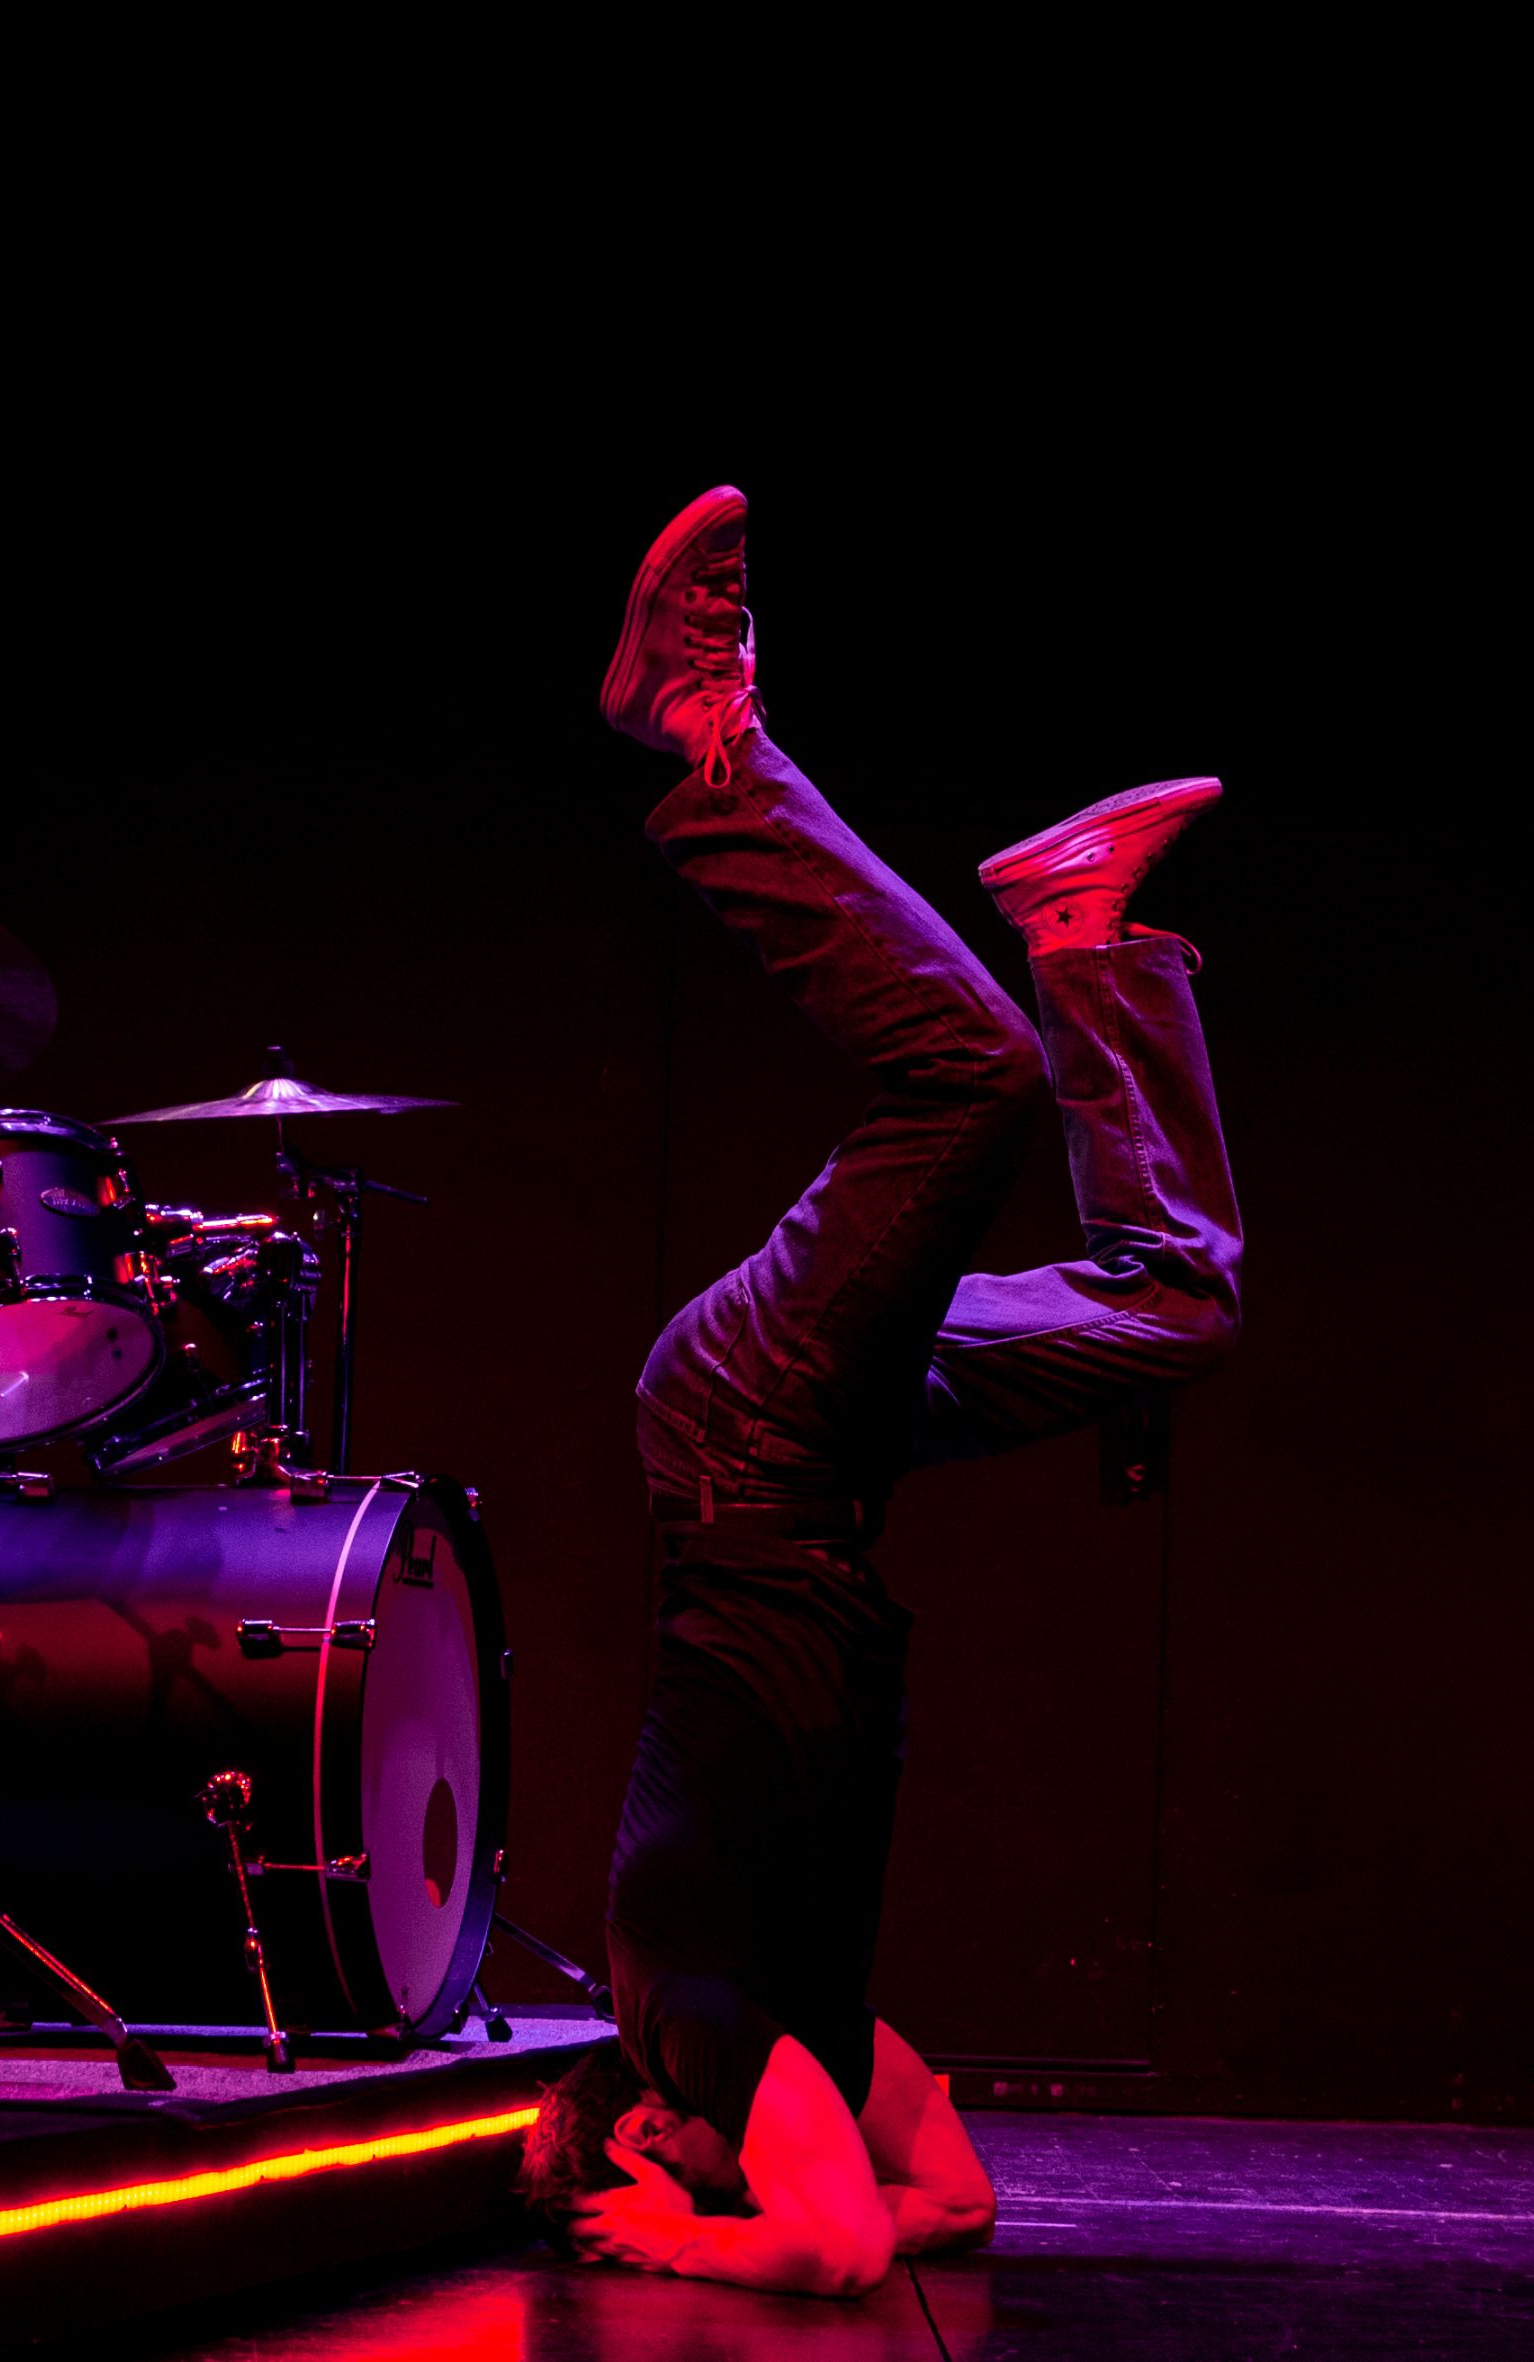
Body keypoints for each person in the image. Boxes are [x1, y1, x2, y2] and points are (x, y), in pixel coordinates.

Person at [518, 485, 1243, 2297]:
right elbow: (953, 2207)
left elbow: (834, 2248)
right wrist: (772, 2211)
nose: (779, 2156)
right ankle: (1077, 932)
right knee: (1174, 1302)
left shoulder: (689, 2016)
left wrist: (697, 2241)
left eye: (700, 2170)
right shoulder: (817, 2040)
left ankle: (704, 742)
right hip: (828, 1453)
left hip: (746, 1428)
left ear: (646, 2138)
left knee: (964, 1084)